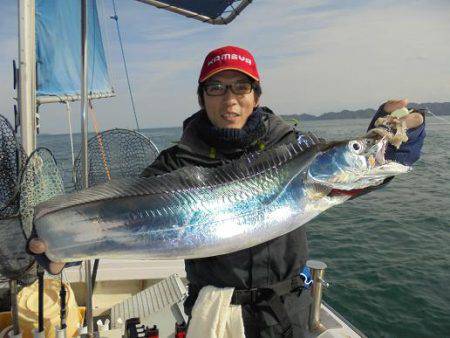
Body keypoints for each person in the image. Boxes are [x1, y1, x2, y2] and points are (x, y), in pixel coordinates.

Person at [29, 46, 425, 337]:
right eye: (216, 88)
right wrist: (61, 247)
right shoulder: (174, 163)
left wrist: (392, 138)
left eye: (241, 87)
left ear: (256, 96)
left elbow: (375, 172)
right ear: (202, 97)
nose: (230, 99)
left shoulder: (297, 147)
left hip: (289, 311)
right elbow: (117, 221)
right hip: (214, 312)